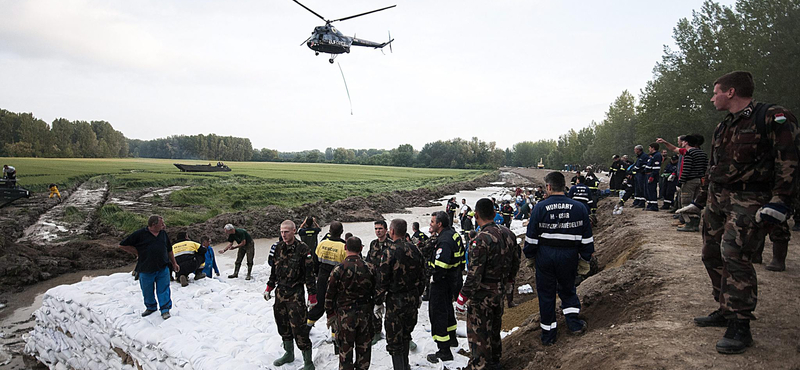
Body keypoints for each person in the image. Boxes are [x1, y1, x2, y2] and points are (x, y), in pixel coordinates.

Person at [685, 71, 798, 354]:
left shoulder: (773, 116)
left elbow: (790, 159)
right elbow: (715, 168)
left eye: (715, 93)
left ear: (731, 92)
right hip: (717, 198)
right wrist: (699, 202)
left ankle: (740, 323)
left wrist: (781, 200)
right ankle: (725, 306)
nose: (712, 98)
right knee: (710, 253)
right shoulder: (724, 127)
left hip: (749, 198)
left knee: (735, 255)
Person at [523, 172, 594, 346]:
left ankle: (548, 336)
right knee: (568, 290)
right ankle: (574, 325)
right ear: (563, 185)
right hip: (569, 256)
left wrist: (530, 256)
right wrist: (584, 259)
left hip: (545, 256)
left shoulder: (540, 207)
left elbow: (531, 238)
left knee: (546, 295)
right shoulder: (579, 208)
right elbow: (587, 238)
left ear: (548, 187)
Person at [455, 198, 519, 369]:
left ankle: (481, 365)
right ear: (495, 213)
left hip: (482, 295)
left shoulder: (481, 239)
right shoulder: (508, 234)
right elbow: (515, 262)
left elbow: (474, 274)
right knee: (494, 330)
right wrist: (509, 283)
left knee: (479, 334)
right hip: (500, 291)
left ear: (476, 215)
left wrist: (462, 297)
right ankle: (495, 362)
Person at [263, 220, 317, 369]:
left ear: (294, 231)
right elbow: (274, 270)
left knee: (299, 328)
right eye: (281, 232)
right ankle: (289, 353)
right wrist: (269, 287)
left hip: (295, 294)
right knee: (282, 324)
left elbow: (309, 275)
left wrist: (312, 295)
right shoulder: (278, 247)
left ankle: (308, 362)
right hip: (280, 293)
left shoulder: (303, 249)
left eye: (286, 231)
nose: (283, 235)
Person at [375, 219, 426, 370]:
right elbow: (424, 274)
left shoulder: (389, 251)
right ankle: (405, 366)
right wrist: (419, 294)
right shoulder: (415, 249)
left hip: (395, 301)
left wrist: (378, 301)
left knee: (395, 341)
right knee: (405, 335)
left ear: (391, 231)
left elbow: (382, 278)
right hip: (412, 299)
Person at [325, 236, 376, 370]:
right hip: (365, 314)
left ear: (345, 248)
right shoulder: (370, 268)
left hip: (345, 316)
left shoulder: (339, 269)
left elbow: (329, 294)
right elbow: (377, 291)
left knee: (345, 352)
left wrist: (330, 314)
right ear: (361, 249)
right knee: (364, 351)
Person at [119, 215, 179, 320]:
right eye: (161, 224)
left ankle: (165, 309)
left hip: (162, 267)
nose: (164, 225)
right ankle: (151, 307)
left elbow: (169, 249)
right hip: (146, 269)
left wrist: (174, 263)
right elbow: (123, 245)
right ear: (154, 225)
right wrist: (137, 252)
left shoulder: (163, 234)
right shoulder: (140, 234)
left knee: (164, 289)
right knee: (147, 290)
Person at [426, 211, 465, 363]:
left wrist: (431, 278)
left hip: (441, 282)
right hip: (453, 279)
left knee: (438, 314)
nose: (431, 224)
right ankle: (452, 339)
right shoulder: (453, 234)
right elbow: (461, 259)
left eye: (432, 222)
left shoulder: (444, 241)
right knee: (448, 309)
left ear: (439, 224)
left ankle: (444, 350)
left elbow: (440, 267)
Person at [658, 134, 708, 231]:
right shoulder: (702, 154)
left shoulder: (689, 153)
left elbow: (686, 169)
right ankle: (695, 224)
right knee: (695, 204)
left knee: (686, 203)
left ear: (686, 142)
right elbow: (705, 168)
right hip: (698, 180)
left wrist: (680, 182)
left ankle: (689, 224)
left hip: (689, 181)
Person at [308, 221, 347, 327]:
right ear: (342, 232)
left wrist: (317, 275)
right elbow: (347, 267)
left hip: (322, 279)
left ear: (329, 231)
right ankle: (335, 334)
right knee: (335, 307)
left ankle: (306, 326)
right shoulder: (344, 247)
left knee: (319, 304)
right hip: (337, 282)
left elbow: (315, 263)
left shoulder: (322, 244)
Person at [365, 220, 390, 345]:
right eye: (376, 229)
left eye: (380, 228)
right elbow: (369, 260)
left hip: (389, 281)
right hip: (375, 281)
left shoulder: (391, 244)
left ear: (386, 230)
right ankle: (376, 332)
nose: (378, 231)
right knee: (375, 307)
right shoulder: (373, 244)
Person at [643, 143, 662, 211]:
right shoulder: (653, 156)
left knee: (652, 190)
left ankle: (654, 206)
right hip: (647, 174)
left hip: (651, 175)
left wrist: (652, 176)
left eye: (650, 148)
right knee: (648, 191)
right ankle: (650, 204)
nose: (649, 149)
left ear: (653, 148)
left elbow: (656, 168)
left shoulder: (657, 155)